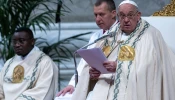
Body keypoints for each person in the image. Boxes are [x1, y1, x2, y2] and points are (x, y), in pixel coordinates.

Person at [74, 0, 175, 100]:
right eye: (122, 16)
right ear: (117, 16)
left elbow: (151, 69)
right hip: (105, 85)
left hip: (133, 89)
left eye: (130, 15)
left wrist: (119, 67)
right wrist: (93, 73)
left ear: (138, 15)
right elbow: (93, 64)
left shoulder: (150, 35)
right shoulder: (111, 34)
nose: (126, 20)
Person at [55, 0, 117, 100]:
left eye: (101, 14)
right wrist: (72, 84)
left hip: (111, 83)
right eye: (95, 15)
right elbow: (84, 63)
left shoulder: (122, 35)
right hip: (92, 81)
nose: (97, 19)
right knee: (61, 98)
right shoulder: (95, 36)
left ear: (113, 13)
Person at [0, 27, 58, 100]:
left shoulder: (45, 63)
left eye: (21, 41)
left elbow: (42, 91)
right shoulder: (9, 63)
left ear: (32, 41)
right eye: (14, 42)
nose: (17, 45)